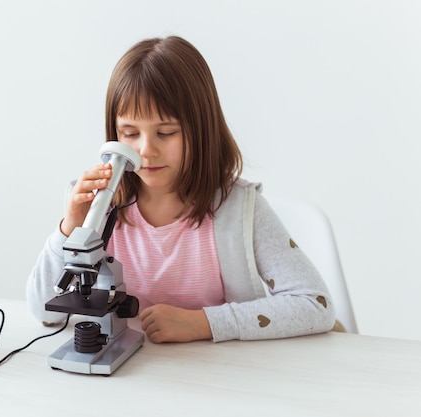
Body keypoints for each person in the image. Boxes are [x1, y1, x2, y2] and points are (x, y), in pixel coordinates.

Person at [26, 35, 337, 344]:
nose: (146, 150)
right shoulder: (99, 207)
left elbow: (315, 304)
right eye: (130, 132)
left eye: (166, 132)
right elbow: (44, 311)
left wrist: (203, 323)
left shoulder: (240, 209)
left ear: (201, 129)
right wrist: (68, 229)